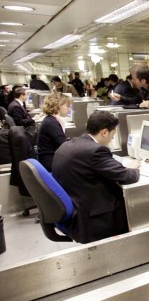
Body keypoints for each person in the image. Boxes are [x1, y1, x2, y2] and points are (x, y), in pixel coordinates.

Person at [52, 111, 140, 243]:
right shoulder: (95, 151)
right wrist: (134, 168)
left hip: (77, 208)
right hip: (93, 217)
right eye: (112, 135)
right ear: (104, 132)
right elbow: (127, 177)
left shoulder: (69, 144)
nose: (111, 139)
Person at [37, 92, 72, 171]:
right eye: (67, 106)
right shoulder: (51, 123)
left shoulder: (50, 120)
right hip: (50, 163)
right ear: (58, 105)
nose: (68, 109)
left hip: (50, 159)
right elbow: (64, 145)